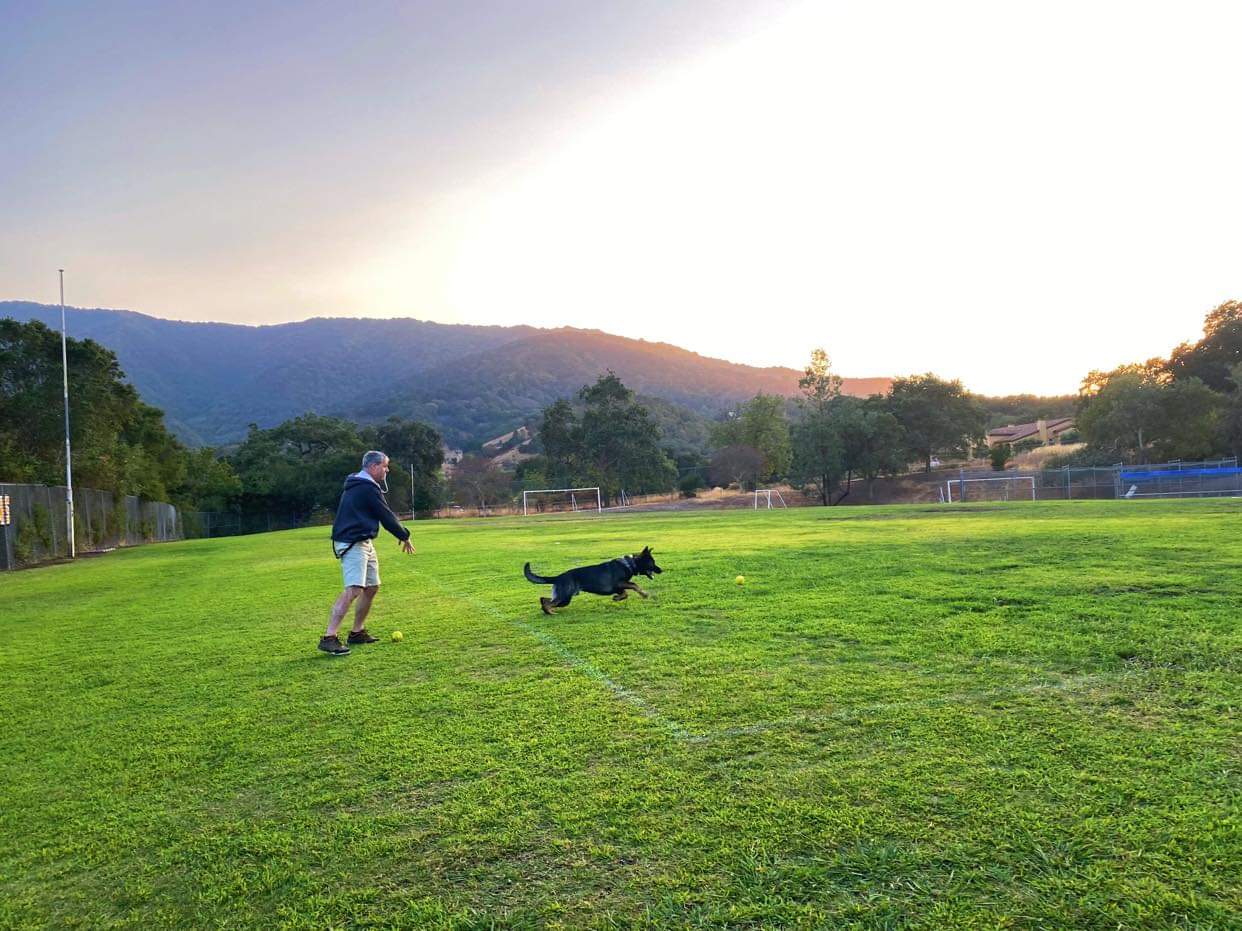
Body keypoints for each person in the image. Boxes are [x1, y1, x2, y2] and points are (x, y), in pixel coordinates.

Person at [320, 450, 415, 655]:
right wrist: (404, 535)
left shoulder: (360, 484)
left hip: (363, 539)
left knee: (372, 587)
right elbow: (386, 516)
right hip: (352, 541)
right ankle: (329, 637)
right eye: (385, 466)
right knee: (354, 589)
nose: (387, 470)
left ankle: (357, 632)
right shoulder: (366, 488)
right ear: (373, 467)